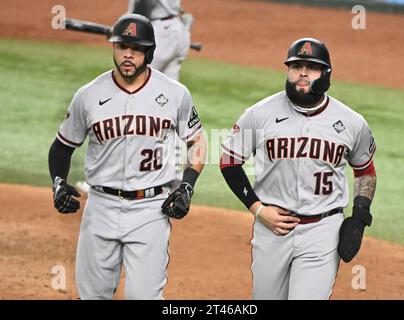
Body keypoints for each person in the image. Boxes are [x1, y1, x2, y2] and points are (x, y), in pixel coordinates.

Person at [48, 14, 206, 299]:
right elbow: (62, 146)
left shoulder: (174, 94)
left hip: (151, 210)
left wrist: (187, 185)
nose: (128, 55)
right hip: (100, 207)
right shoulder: (88, 95)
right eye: (122, 47)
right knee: (93, 296)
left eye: (136, 49)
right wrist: (58, 182)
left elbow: (197, 140)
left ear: (149, 52)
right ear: (113, 48)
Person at [219, 38, 377, 300]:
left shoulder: (351, 122)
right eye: (296, 66)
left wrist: (360, 217)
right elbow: (229, 162)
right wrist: (257, 209)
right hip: (272, 229)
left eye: (312, 67)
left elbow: (365, 170)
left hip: (323, 231)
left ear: (326, 74)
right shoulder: (259, 114)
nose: (303, 73)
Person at [76, 0, 192, 194]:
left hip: (157, 32)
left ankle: (110, 178)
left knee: (134, 94)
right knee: (171, 105)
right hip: (176, 29)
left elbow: (143, 4)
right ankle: (174, 178)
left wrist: (126, 33)